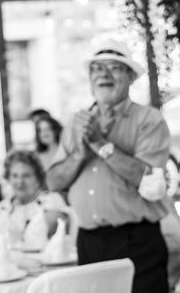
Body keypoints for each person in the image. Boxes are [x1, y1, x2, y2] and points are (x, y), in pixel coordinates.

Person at [47, 39, 171, 293]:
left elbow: (149, 182)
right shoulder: (76, 122)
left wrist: (100, 143)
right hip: (89, 241)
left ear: (130, 76)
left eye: (114, 67)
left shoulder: (149, 119)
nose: (103, 74)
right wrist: (80, 155)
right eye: (97, 68)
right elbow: (53, 182)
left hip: (137, 243)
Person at [2, 150, 67, 243]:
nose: (20, 181)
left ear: (38, 178)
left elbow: (41, 234)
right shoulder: (4, 207)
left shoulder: (50, 201)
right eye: (15, 176)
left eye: (26, 175)